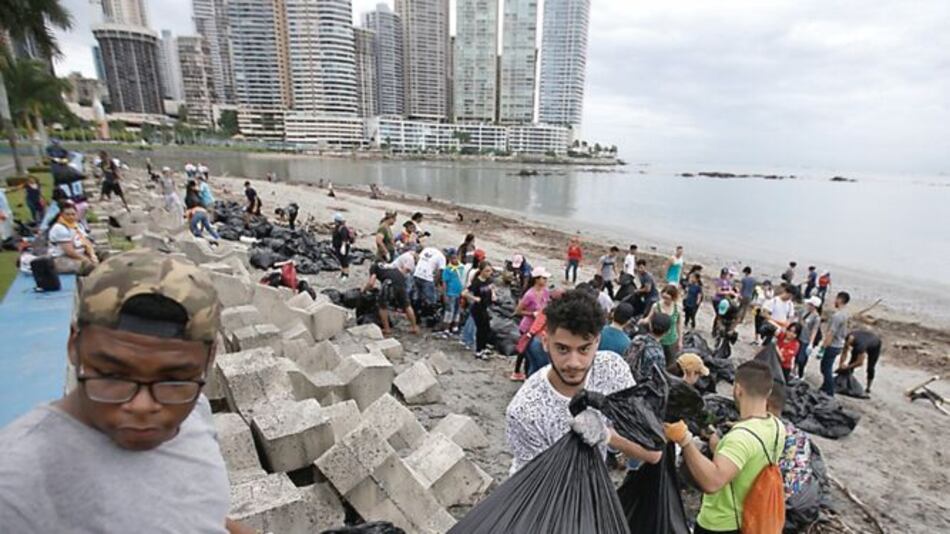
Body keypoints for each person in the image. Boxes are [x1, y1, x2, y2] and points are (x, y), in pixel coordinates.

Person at [0, 250, 252, 533]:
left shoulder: (195, 410)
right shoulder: (16, 485)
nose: (142, 406)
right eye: (112, 374)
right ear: (74, 344)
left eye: (173, 378)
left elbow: (198, 513)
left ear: (209, 360)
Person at [505, 289, 663, 474]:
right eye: (563, 349)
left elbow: (653, 452)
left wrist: (606, 435)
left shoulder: (612, 371)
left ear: (597, 342)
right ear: (545, 341)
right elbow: (535, 486)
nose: (574, 363)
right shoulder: (526, 410)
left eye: (584, 349)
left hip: (591, 484)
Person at [665, 360, 786, 534]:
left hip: (720, 524)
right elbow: (744, 462)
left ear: (737, 389)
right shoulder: (776, 426)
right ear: (768, 391)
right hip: (751, 517)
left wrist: (685, 440)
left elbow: (713, 482)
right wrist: (717, 442)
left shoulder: (740, 438)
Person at [767, 386, 816, 507]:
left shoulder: (767, 434)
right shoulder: (797, 433)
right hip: (804, 501)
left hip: (780, 506)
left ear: (766, 405)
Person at [512, 267, 552, 381]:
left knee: (531, 353)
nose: (545, 281)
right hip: (527, 326)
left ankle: (526, 373)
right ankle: (517, 371)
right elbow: (518, 311)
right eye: (543, 278)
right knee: (524, 350)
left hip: (539, 326)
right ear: (536, 279)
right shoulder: (529, 294)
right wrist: (531, 313)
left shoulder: (545, 292)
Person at [363, 261, 419, 335]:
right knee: (406, 305)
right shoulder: (388, 265)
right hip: (401, 280)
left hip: (389, 283)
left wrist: (364, 290)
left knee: (382, 305)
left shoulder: (374, 267)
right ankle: (414, 327)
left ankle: (387, 329)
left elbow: (371, 283)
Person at [48, 203, 98, 274]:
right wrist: (86, 259)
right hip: (62, 258)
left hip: (80, 253)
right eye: (67, 214)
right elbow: (69, 252)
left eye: (73, 214)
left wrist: (93, 255)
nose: (71, 217)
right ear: (62, 215)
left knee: (105, 255)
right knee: (89, 266)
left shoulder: (77, 225)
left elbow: (86, 241)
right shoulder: (59, 228)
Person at [641, 285, 684, 364]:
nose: (665, 300)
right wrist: (642, 321)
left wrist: (680, 340)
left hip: (671, 340)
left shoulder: (677, 309)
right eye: (663, 297)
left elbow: (679, 325)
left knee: (670, 362)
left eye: (668, 298)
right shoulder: (656, 306)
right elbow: (649, 318)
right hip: (657, 339)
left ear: (673, 298)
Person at [463, 261, 497, 359]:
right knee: (481, 330)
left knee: (486, 328)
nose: (489, 273)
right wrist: (474, 298)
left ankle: (483, 347)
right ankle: (479, 350)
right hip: (478, 309)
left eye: (490, 271)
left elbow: (491, 288)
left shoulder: (489, 280)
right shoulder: (476, 282)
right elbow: (464, 293)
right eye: (487, 271)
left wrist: (493, 294)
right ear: (481, 271)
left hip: (486, 307)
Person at [820, 291, 851, 395]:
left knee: (825, 368)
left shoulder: (837, 316)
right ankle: (825, 387)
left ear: (840, 300)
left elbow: (831, 333)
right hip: (839, 344)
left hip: (833, 345)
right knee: (827, 366)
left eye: (836, 298)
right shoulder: (846, 314)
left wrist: (823, 347)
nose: (834, 301)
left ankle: (829, 391)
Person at [629, 312, 672, 381]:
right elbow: (659, 379)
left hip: (630, 377)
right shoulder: (659, 354)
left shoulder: (637, 339)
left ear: (650, 325)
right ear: (667, 332)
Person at [839, 330, 882, 394]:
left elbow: (860, 362)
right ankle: (847, 381)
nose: (849, 347)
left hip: (875, 345)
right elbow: (845, 351)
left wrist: (847, 367)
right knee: (852, 361)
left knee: (870, 367)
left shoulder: (860, 346)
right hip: (866, 338)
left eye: (850, 345)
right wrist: (841, 364)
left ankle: (868, 387)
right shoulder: (849, 336)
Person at [796, 296, 822, 378]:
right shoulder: (804, 311)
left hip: (806, 340)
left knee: (802, 359)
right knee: (796, 356)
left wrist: (811, 343)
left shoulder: (816, 317)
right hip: (798, 337)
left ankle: (801, 374)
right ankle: (794, 371)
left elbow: (814, 331)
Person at [413, 246, 447, 311]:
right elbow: (440, 272)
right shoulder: (442, 257)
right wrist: (435, 283)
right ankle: (428, 313)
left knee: (418, 296)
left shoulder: (427, 249)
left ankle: (416, 313)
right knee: (431, 299)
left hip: (417, 274)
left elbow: (418, 259)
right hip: (427, 278)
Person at [441, 250, 465, 333]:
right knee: (449, 311)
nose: (455, 260)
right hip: (450, 293)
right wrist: (444, 295)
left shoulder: (462, 267)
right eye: (453, 258)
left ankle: (455, 326)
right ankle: (446, 327)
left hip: (459, 293)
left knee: (458, 310)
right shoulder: (447, 269)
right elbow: (444, 283)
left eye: (456, 258)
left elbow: (463, 279)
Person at [331, 213, 355, 281]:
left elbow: (344, 238)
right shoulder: (337, 227)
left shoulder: (343, 228)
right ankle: (342, 273)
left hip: (343, 247)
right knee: (341, 260)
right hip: (338, 246)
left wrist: (343, 247)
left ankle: (346, 275)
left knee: (344, 260)